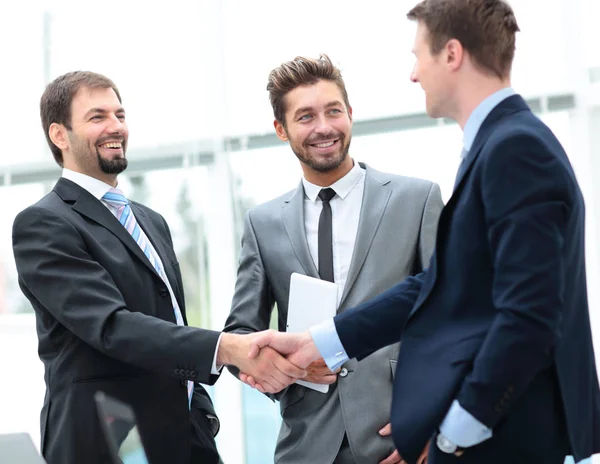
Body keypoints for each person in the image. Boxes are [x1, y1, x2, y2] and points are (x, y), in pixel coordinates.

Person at [246, 2, 600, 464]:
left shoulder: (515, 149)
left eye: (419, 56)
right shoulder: (500, 145)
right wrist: (321, 341)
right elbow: (441, 288)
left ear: (451, 54)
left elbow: (529, 315)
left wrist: (453, 431)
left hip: (513, 436)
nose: (414, 74)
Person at [11, 71, 306, 464]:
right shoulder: (43, 223)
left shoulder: (150, 222)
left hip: (185, 437)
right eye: (97, 117)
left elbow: (172, 321)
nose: (115, 126)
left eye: (120, 114)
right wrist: (226, 347)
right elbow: (112, 327)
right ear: (59, 135)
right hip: (105, 444)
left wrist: (200, 411)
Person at [224, 54, 443, 464]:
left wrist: (438, 420)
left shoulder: (417, 199)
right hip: (306, 446)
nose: (323, 127)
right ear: (280, 129)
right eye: (305, 116)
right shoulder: (262, 222)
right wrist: (286, 370)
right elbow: (240, 333)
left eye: (333, 111)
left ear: (351, 114)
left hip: (400, 438)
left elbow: (453, 311)